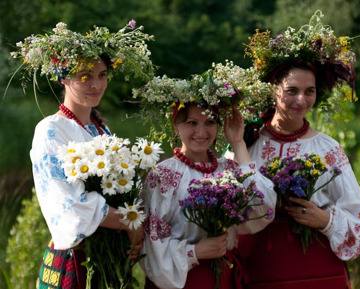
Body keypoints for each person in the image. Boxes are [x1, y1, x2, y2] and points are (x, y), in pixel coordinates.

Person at [9, 21, 155, 288]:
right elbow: (71, 206)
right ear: (63, 77)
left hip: (108, 256)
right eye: (85, 75)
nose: (96, 84)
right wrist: (130, 224)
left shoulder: (101, 129)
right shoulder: (51, 130)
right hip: (76, 260)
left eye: (101, 74)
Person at [233, 10, 360, 289]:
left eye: (310, 91)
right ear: (274, 89)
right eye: (292, 90)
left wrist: (326, 220)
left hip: (317, 271)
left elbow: (358, 223)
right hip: (259, 270)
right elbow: (225, 204)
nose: (301, 100)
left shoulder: (328, 149)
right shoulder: (246, 143)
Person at [133, 71, 276, 289]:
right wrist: (195, 252)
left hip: (223, 277)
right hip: (182, 281)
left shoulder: (227, 168)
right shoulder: (162, 176)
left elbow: (265, 208)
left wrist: (238, 143)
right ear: (176, 125)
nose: (201, 132)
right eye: (192, 122)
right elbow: (151, 244)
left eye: (210, 122)